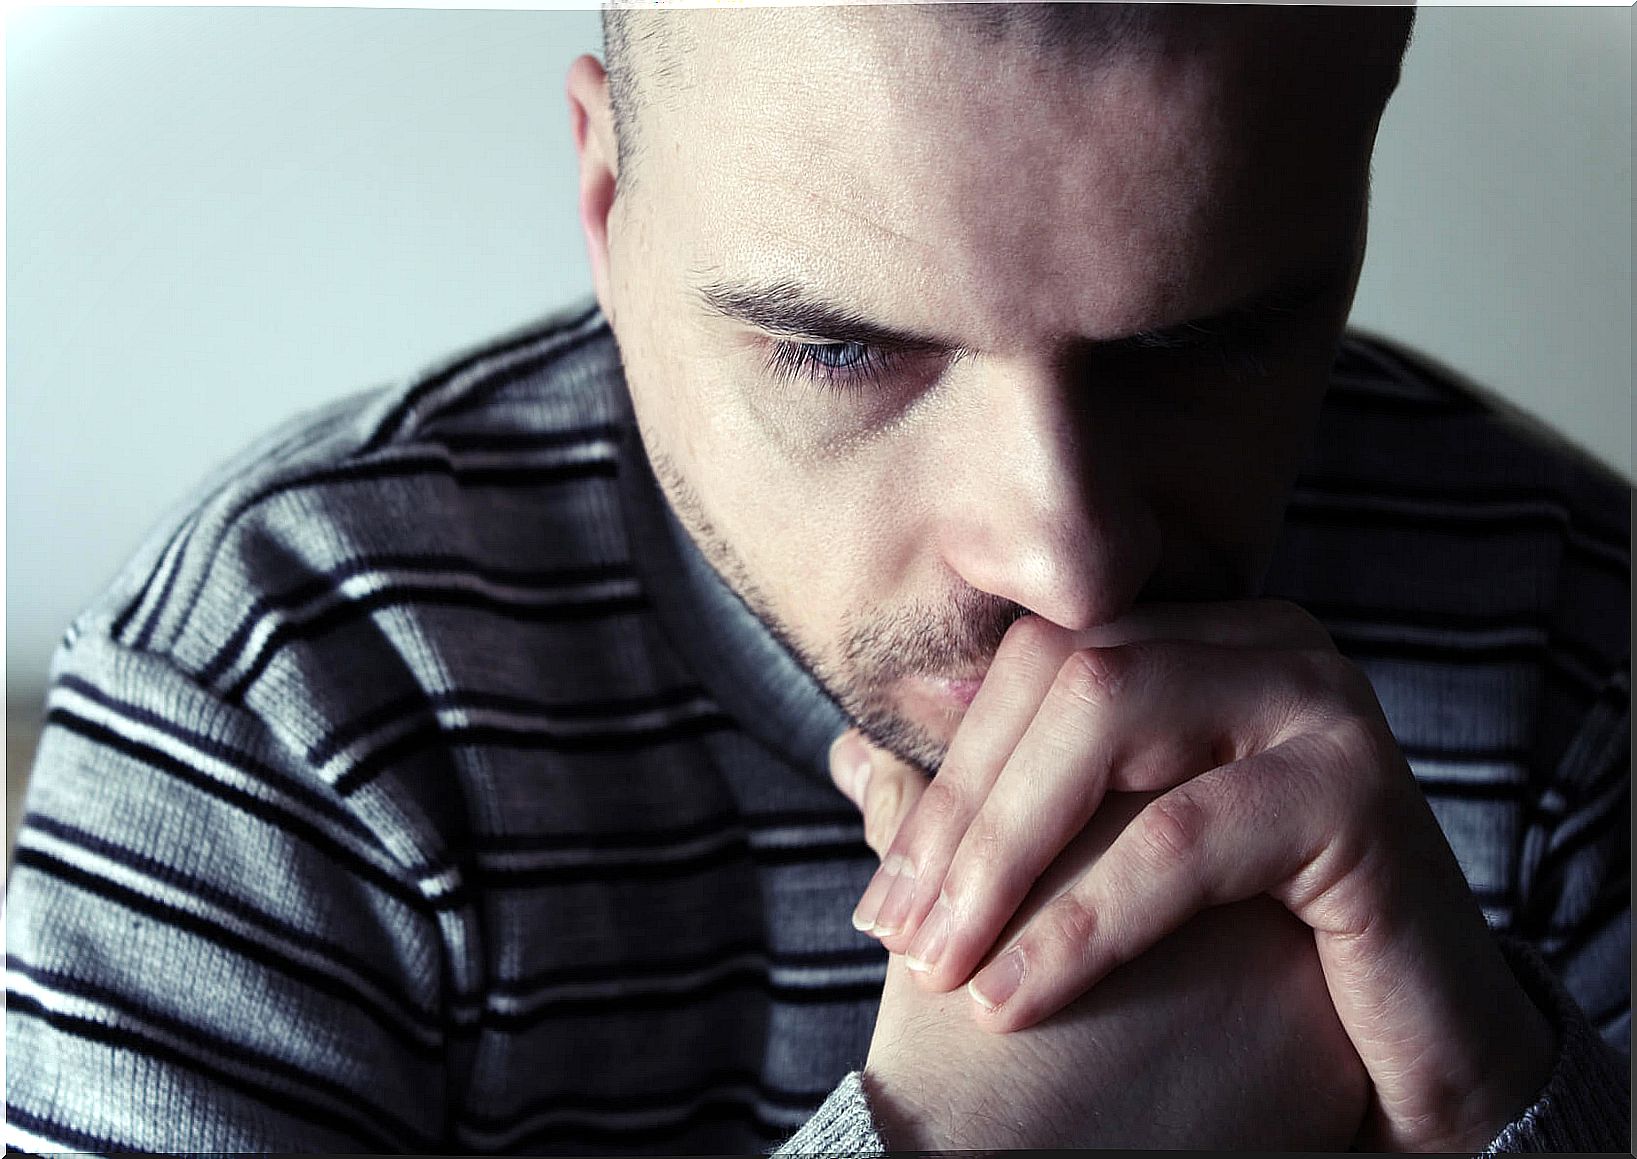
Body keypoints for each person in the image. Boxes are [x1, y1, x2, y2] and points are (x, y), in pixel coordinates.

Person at [5, 3, 1628, 1152]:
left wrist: (1507, 1110)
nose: (1061, 559)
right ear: (606, 202)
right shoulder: (275, 694)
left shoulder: (1582, 646)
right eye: (837, 348)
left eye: (1206, 346)